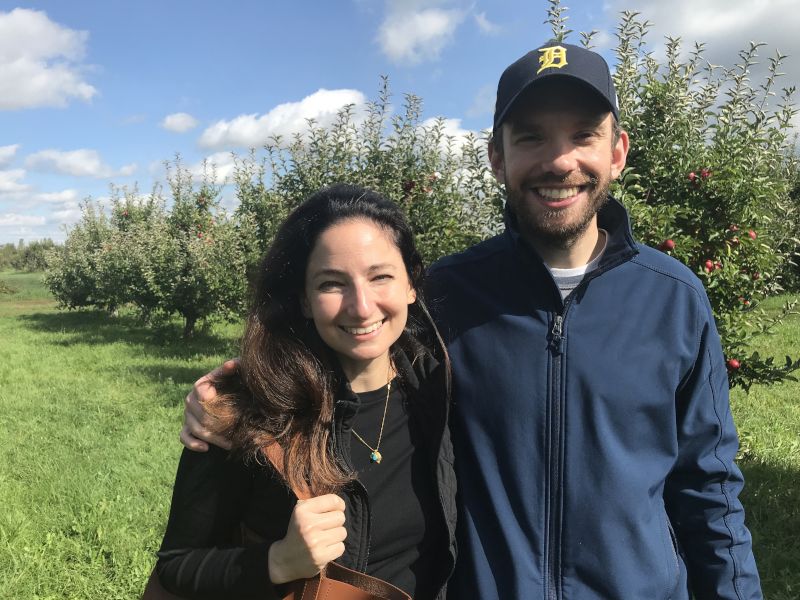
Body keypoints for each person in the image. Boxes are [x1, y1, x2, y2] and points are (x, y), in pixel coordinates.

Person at [182, 42, 762, 599]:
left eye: (583, 135)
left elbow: (708, 489)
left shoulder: (674, 298)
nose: (559, 161)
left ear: (617, 151)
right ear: (497, 158)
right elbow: (352, 346)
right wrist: (236, 393)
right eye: (531, 137)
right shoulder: (450, 294)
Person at [157, 184, 456, 599]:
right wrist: (279, 561)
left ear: (411, 284)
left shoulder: (440, 393)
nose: (361, 306)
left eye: (380, 277)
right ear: (303, 300)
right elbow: (177, 565)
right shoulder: (250, 411)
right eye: (332, 284)